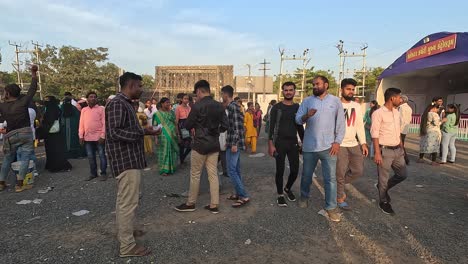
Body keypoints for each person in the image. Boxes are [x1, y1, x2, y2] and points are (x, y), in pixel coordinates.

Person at [106, 72, 160, 258]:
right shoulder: (117, 103)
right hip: (124, 159)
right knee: (127, 203)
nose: (141, 89)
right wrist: (139, 133)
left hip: (130, 159)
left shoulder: (126, 104)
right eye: (139, 86)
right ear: (130, 86)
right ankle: (127, 246)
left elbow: (125, 129)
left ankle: (126, 234)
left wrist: (145, 131)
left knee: (128, 201)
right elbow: (114, 133)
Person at [295, 75, 345, 222]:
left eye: (317, 84)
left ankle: (331, 207)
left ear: (326, 85)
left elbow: (341, 123)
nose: (315, 86)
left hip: (329, 147)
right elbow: (297, 119)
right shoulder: (307, 101)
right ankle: (304, 197)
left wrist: (337, 142)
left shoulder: (335, 101)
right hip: (310, 146)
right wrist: (306, 115)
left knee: (330, 179)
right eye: (313, 85)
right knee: (306, 175)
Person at [174, 80, 228, 213]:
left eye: (196, 93)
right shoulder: (219, 106)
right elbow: (226, 126)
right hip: (214, 145)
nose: (196, 96)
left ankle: (191, 203)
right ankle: (214, 205)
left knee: (195, 174)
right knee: (213, 174)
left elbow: (187, 125)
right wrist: (215, 132)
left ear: (199, 91)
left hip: (199, 144)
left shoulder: (197, 106)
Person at [0, 65, 38, 192]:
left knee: (7, 158)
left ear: (8, 93)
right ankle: (20, 184)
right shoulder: (23, 102)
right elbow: (32, 89)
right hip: (25, 133)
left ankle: (1, 182)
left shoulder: (3, 106)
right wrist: (33, 73)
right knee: (26, 158)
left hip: (10, 135)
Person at [371, 87, 407, 215]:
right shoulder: (378, 113)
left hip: (398, 150)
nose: (400, 99)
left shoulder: (397, 112)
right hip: (384, 150)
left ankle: (383, 188)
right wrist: (377, 153)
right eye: (399, 97)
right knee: (383, 178)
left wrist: (402, 148)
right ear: (392, 98)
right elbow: (375, 134)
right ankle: (383, 201)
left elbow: (398, 132)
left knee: (402, 174)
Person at [268, 82, 304, 207]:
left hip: (293, 142)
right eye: (286, 90)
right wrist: (271, 145)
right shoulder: (276, 108)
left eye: (291, 90)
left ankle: (287, 189)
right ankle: (280, 194)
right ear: (282, 91)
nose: (288, 92)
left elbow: (299, 127)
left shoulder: (297, 107)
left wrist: (303, 142)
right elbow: (271, 128)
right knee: (280, 170)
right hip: (279, 143)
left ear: (295, 91)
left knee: (295, 170)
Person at [336, 78, 368, 210]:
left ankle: (339, 185)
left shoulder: (356, 106)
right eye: (348, 89)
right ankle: (339, 197)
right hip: (339, 144)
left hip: (353, 144)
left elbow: (359, 125)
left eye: (353, 89)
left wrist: (363, 143)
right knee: (340, 171)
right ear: (341, 90)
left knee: (358, 170)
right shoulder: (335, 105)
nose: (351, 92)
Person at [223, 85, 250, 207]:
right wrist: (229, 142)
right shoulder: (232, 107)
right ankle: (238, 193)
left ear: (225, 95)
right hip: (232, 142)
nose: (221, 96)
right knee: (236, 169)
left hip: (235, 143)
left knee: (232, 170)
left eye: (221, 94)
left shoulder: (233, 107)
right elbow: (232, 127)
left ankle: (243, 196)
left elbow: (237, 128)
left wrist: (233, 143)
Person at [79, 91, 107, 181]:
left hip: (99, 137)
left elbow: (104, 123)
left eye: (95, 97)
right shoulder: (84, 110)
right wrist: (80, 136)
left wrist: (103, 136)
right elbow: (81, 124)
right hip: (87, 137)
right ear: (87, 99)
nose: (93, 98)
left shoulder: (101, 109)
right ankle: (93, 173)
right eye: (91, 97)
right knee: (91, 156)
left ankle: (103, 173)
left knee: (102, 155)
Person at [42, 96, 73, 173]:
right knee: (58, 149)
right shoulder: (56, 108)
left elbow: (50, 120)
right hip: (57, 133)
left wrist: (44, 126)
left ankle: (56, 166)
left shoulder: (50, 110)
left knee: (53, 150)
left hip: (51, 133)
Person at [153, 97, 179, 176]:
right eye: (167, 102)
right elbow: (155, 126)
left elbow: (175, 123)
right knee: (164, 152)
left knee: (172, 151)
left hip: (173, 134)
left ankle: (171, 168)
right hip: (163, 135)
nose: (168, 104)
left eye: (169, 102)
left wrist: (178, 134)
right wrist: (156, 138)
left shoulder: (171, 112)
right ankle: (164, 169)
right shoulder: (157, 114)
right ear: (162, 104)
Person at [175, 94, 192, 164]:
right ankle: (182, 159)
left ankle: (182, 158)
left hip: (188, 127)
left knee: (190, 145)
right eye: (185, 98)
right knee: (182, 144)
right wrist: (178, 133)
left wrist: (192, 129)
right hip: (182, 127)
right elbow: (176, 121)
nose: (186, 100)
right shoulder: (178, 108)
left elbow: (191, 119)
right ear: (181, 99)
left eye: (187, 99)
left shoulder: (189, 108)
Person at [399, 95, 413, 164]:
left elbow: (400, 118)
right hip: (405, 128)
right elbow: (410, 119)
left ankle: (406, 159)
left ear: (402, 100)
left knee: (400, 144)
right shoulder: (409, 108)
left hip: (400, 128)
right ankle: (403, 158)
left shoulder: (401, 107)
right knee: (401, 144)